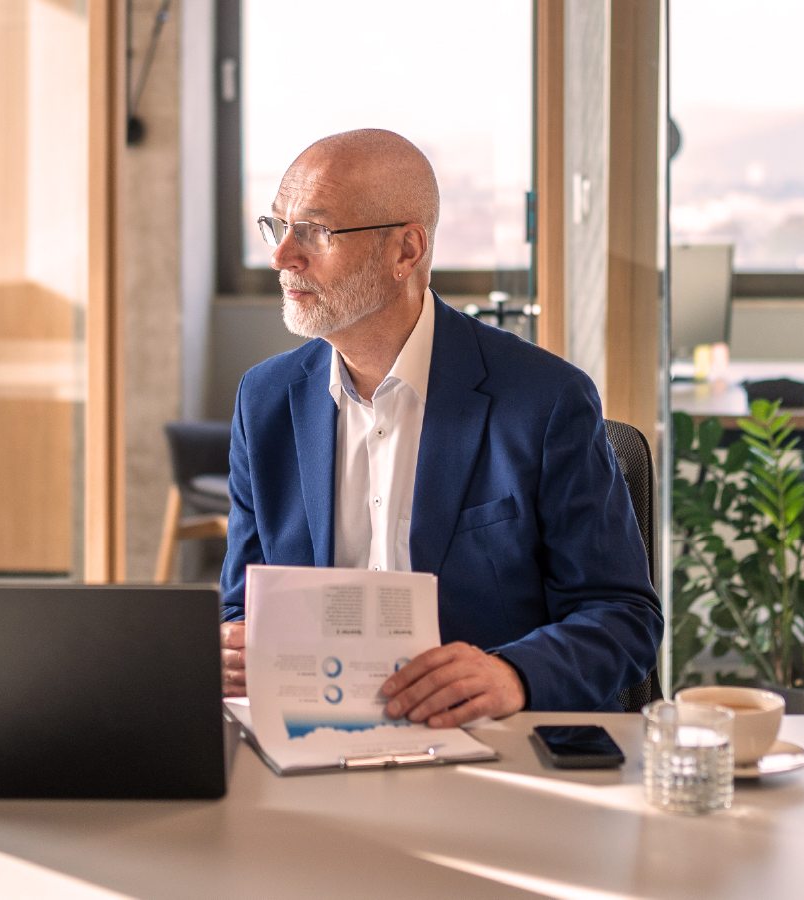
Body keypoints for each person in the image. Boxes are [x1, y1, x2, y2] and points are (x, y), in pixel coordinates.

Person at [219, 129, 661, 725]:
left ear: (406, 252)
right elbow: (241, 607)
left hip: (486, 747)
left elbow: (621, 615)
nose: (282, 256)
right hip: (314, 736)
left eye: (316, 232)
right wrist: (229, 649)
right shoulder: (265, 399)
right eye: (278, 226)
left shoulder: (545, 400)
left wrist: (512, 675)